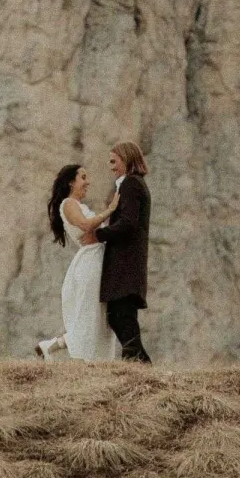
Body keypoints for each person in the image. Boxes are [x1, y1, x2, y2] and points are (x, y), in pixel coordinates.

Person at [37, 163, 120, 362]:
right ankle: (53, 346)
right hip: (91, 261)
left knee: (99, 316)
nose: (87, 182)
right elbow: (84, 225)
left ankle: (56, 347)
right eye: (83, 177)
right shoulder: (68, 204)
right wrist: (110, 209)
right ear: (70, 182)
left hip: (97, 258)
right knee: (91, 314)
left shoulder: (78, 205)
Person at [95, 140, 152, 362]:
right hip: (128, 268)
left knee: (122, 319)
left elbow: (128, 223)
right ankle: (139, 368)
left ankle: (140, 368)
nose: (111, 167)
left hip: (124, 268)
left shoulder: (130, 184)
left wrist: (99, 234)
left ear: (126, 159)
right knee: (121, 320)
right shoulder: (136, 184)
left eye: (114, 161)